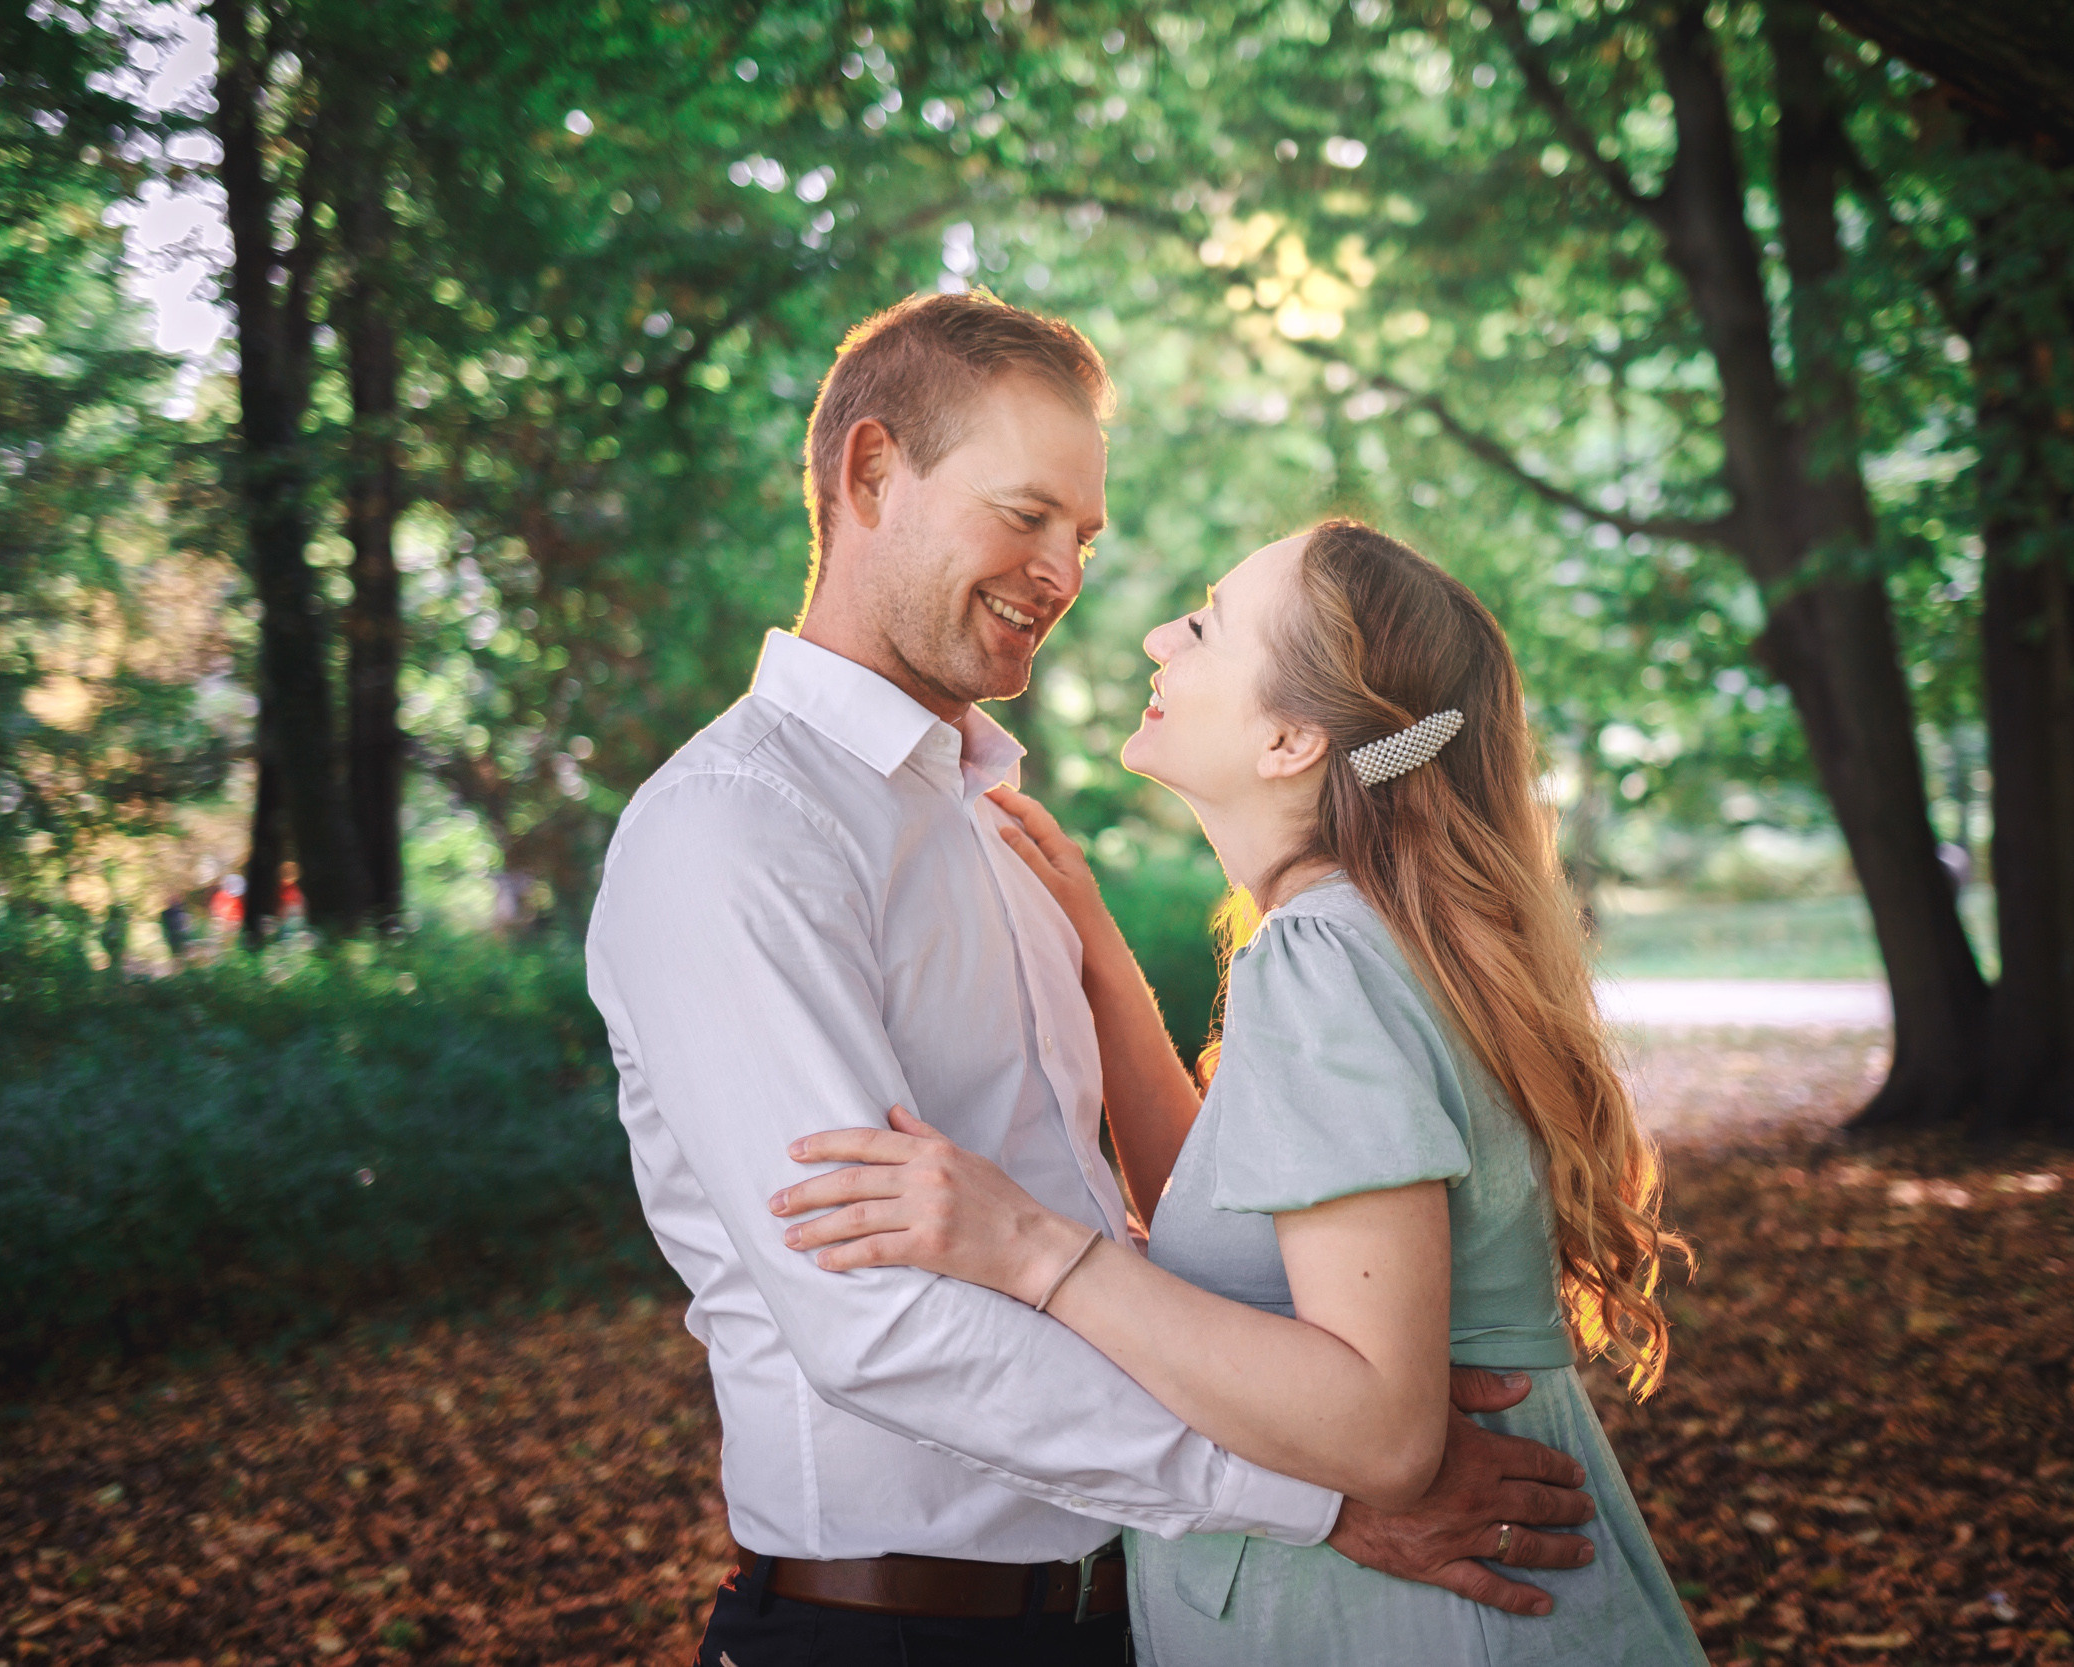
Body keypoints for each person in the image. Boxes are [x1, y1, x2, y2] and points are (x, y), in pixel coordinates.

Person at [586, 294, 1600, 1667]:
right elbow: (872, 1316)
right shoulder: (735, 827)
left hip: (1135, 1607)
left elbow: (1142, 1225)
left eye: (1085, 535)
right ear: (872, 471)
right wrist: (1316, 1493)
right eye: (1026, 515)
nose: (1064, 574)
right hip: (890, 1632)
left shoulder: (999, 833)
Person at [773, 520, 1708, 1664]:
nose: (1165, 633)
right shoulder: (1359, 937)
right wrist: (1101, 957)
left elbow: (1380, 1432)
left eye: (1208, 623)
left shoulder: (1328, 958)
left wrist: (1029, 1246)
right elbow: (1245, 1244)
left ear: (1288, 739)